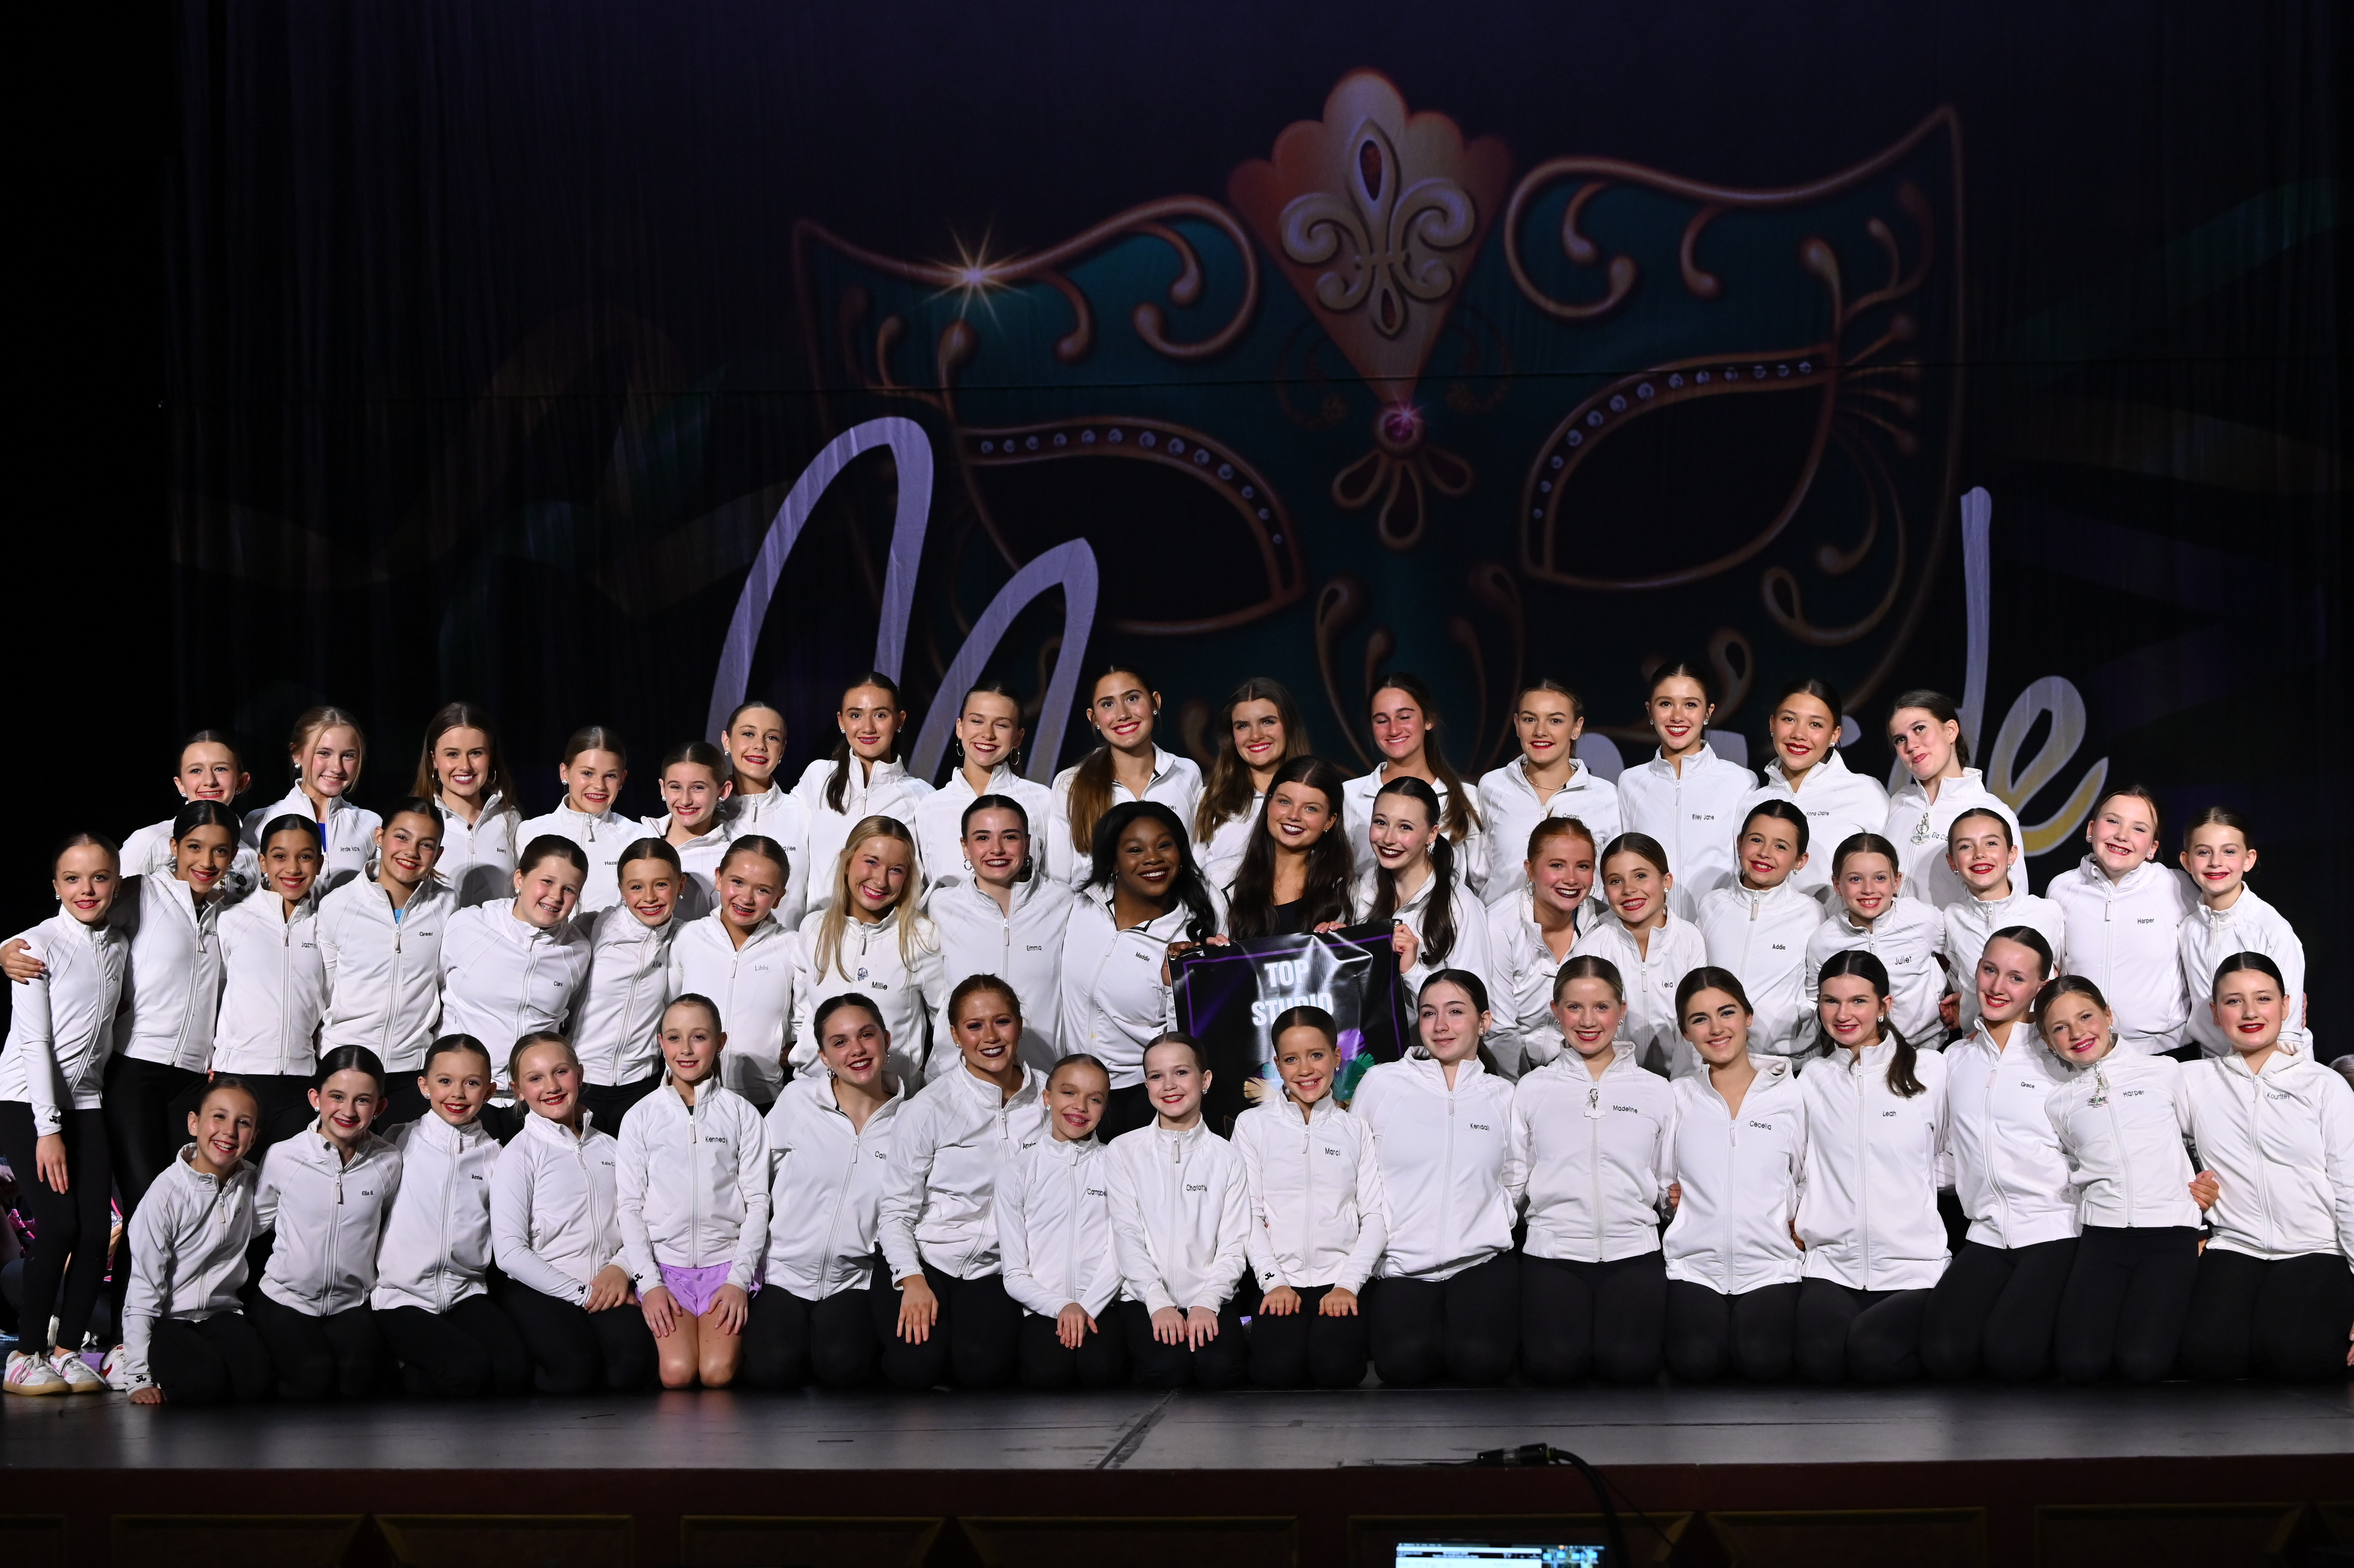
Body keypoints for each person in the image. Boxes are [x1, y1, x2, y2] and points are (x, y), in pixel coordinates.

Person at [2178, 953, 2354, 1381]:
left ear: (2287, 1005)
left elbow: (2351, 1186)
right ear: (2215, 1013)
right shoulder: (2191, 1082)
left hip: (2317, 1248)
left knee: (2297, 1357)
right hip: (2235, 1245)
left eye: (2263, 998)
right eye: (2234, 1001)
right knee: (2205, 1357)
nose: (2250, 1012)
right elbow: (2135, 1141)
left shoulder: (2323, 1085)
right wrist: (2187, 1193)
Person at [1920, 929, 2080, 1382]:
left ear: (2042, 986)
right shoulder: (1955, 1059)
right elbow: (1952, 1155)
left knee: (2012, 1356)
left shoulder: (2060, 1059)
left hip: (2055, 1231)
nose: (1997, 987)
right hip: (1986, 1235)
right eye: (1990, 970)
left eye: (2016, 977)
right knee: (1943, 1355)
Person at [876, 975, 1048, 1389]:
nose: (990, 1037)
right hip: (928, 1259)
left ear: (1019, 1025)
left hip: (998, 1268)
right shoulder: (929, 1107)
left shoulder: (1051, 1097)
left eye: (1002, 1021)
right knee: (915, 1370)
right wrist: (911, 1278)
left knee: (982, 1371)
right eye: (974, 1026)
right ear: (955, 1035)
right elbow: (896, 1212)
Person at [0, 834, 126, 1395]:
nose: (86, 889)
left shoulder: (119, 943)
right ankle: (24, 1354)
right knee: (59, 1226)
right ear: (55, 886)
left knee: (95, 1230)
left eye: (99, 877)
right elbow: (36, 1042)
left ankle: (68, 1351)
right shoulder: (35, 945)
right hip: (26, 1101)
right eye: (73, 878)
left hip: (89, 1101)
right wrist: (47, 1128)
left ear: (116, 882)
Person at [1351, 972, 1521, 1387]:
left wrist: (1495, 1218)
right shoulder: (1382, 1084)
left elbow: (1517, 1175)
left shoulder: (1503, 1096)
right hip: (1401, 1267)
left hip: (1479, 1262)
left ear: (1484, 1021)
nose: (1441, 1025)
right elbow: (1354, 1169)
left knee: (1482, 1364)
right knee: (1403, 1366)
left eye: (1455, 1012)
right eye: (1429, 1013)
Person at [1513, 956, 1673, 1385]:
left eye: (1602, 1007)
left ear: (1622, 1011)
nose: (1588, 1021)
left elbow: (1666, 1184)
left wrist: (1675, 1204)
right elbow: (1513, 1180)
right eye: (1574, 1007)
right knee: (1553, 1367)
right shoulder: (1532, 1089)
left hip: (1633, 1253)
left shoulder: (1656, 1091)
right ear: (1556, 1011)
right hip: (1552, 1255)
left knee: (1630, 1367)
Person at [2039, 974, 2207, 1382]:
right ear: (2048, 1041)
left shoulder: (2164, 1072)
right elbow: (2071, 1166)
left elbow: (2201, 1140)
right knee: (2079, 1364)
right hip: (2103, 1239)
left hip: (2169, 1235)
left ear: (2109, 1014)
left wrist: (2207, 1207)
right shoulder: (2060, 1103)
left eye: (2086, 1017)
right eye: (2060, 1027)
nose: (2077, 1033)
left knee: (2142, 1363)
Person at [1793, 951, 1949, 1383]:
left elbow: (1953, 1156)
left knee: (1872, 1356)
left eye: (1858, 1001)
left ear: (1885, 1006)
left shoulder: (1930, 1070)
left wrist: (1910, 1181)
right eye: (1831, 1001)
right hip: (1831, 1265)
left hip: (1913, 1266)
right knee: (1819, 1362)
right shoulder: (1812, 1079)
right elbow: (1799, 1166)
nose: (1843, 1015)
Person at [746, 995, 904, 1390]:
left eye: (866, 1035)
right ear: (824, 1057)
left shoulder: (910, 1120)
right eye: (840, 1042)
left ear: (886, 1039)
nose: (857, 1050)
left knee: (844, 1368)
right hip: (782, 1274)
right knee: (772, 1370)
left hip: (855, 1281)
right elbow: (754, 1184)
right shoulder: (798, 1101)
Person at [1660, 970, 1807, 1382]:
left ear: (1748, 1016)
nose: (1716, 1028)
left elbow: (1807, 1175)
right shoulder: (1677, 1098)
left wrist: (1803, 1219)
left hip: (1772, 1267)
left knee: (1763, 1361)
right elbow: (1659, 1179)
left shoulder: (1791, 1094)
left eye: (1727, 1013)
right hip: (1694, 1268)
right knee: (1695, 1362)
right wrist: (1668, 1200)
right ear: (1686, 1032)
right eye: (1700, 1019)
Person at [617, 996, 769, 1390]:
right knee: (677, 1372)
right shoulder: (640, 1117)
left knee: (717, 1373)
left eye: (699, 1037)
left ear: (720, 1042)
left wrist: (739, 1280)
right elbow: (629, 1208)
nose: (685, 1049)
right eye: (674, 1038)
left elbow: (758, 1203)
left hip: (726, 1267)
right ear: (660, 1043)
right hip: (666, 1270)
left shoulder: (742, 1114)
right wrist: (650, 1285)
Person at [490, 1031, 654, 1393]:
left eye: (560, 1072)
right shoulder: (518, 1155)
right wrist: (581, 1294)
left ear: (579, 1075)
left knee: (634, 1365)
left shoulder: (612, 1147)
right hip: (539, 1289)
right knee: (576, 1371)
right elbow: (510, 1252)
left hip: (606, 1283)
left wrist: (621, 1268)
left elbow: (640, 1220)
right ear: (518, 1090)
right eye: (535, 1078)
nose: (551, 1086)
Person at [1233, 1008, 1384, 1390]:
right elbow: (1247, 1214)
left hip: (1341, 1282)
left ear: (1336, 1056)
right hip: (1280, 1282)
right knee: (1276, 1373)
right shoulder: (1252, 1126)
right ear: (1277, 1066)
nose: (1305, 1070)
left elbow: (1375, 1217)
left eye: (1316, 1055)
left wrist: (1349, 1284)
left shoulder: (1357, 1130)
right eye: (1291, 1059)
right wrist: (1273, 1283)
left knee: (1338, 1372)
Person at [372, 1036, 529, 1398]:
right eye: (445, 1081)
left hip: (464, 1294)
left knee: (513, 1372)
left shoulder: (495, 1156)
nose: (457, 1093)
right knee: (467, 1371)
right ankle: (391, 1372)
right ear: (424, 1086)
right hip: (401, 1299)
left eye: (471, 1083)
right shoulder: (399, 1142)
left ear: (489, 1092)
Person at [1058, 801, 1221, 1141]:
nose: (1152, 858)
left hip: (1140, 1098)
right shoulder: (1082, 902)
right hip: (1074, 1089)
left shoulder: (1189, 938)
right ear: (1113, 861)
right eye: (1135, 849)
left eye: (1165, 846)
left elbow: (1191, 1042)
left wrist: (1174, 986)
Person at [251, 1046, 400, 1400]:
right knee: (313, 1379)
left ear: (379, 1107)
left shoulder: (389, 1161)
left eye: (363, 1100)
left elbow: (389, 1228)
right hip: (286, 1299)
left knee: (358, 1383)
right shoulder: (284, 1156)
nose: (348, 1111)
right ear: (316, 1099)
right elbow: (252, 1225)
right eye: (337, 1097)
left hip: (350, 1303)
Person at [1105, 1032, 1250, 1389]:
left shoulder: (1228, 1157)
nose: (1169, 1085)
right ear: (1147, 1085)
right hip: (1144, 1298)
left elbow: (1234, 1244)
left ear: (1205, 1080)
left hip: (1210, 1297)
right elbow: (1126, 1235)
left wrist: (1208, 1301)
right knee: (1167, 1370)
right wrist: (1158, 1303)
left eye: (1181, 1072)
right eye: (1157, 1076)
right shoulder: (1123, 1151)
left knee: (1219, 1370)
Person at [113, 1078, 269, 1407]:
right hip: (169, 1319)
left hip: (222, 1313)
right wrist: (138, 1377)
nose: (229, 1131)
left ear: (254, 1137)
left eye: (243, 1123)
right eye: (219, 1116)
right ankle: (128, 1360)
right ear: (194, 1123)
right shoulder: (165, 1194)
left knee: (256, 1384)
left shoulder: (253, 1183)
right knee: (201, 1386)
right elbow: (143, 1287)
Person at [997, 1052, 1128, 1390]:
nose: (1080, 1106)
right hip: (1043, 1307)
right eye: (1069, 1093)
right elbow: (1015, 1274)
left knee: (1102, 1373)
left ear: (1105, 1107)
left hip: (1101, 1305)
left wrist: (1086, 1307)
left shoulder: (1118, 1166)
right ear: (1047, 1097)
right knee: (1047, 1375)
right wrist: (1062, 1306)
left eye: (1094, 1099)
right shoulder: (1018, 1172)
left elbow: (1121, 1252)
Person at [318, 798, 451, 1126]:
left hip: (412, 1070)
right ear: (380, 837)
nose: (411, 852)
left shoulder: (448, 907)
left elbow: (446, 986)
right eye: (402, 837)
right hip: (345, 1066)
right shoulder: (338, 905)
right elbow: (322, 991)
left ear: (438, 854)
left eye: (426, 845)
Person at [926, 796, 1075, 1073]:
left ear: (1027, 844)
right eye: (983, 838)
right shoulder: (941, 906)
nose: (996, 849)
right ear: (965, 847)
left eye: (1010, 837)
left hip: (1040, 1076)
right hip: (956, 1078)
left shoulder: (1062, 902)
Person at [792, 816, 946, 1084]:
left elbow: (946, 1022)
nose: (881, 880)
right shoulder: (814, 928)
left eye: (895, 870)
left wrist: (933, 1087)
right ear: (847, 861)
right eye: (872, 862)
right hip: (814, 1092)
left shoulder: (923, 937)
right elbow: (805, 1013)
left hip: (892, 1099)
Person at [2045, 785, 2198, 1055]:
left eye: (2139, 829)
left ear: (2152, 848)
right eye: (2113, 821)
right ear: (2091, 829)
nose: (2122, 835)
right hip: (2084, 1051)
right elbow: (2052, 972)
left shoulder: (2177, 886)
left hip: (2164, 1053)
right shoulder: (2062, 889)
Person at [212, 814, 331, 1146]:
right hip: (237, 1078)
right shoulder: (232, 921)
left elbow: (329, 1000)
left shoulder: (323, 928)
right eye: (280, 856)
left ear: (320, 864)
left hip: (299, 1083)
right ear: (263, 862)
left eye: (305, 857)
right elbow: (212, 995)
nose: (292, 868)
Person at [438, 836, 592, 1090]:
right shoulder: (468, 926)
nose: (556, 896)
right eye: (547, 882)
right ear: (519, 879)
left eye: (569, 889)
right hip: (466, 1093)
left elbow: (567, 1018)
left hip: (535, 1097)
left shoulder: (578, 950)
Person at [1616, 662, 1756, 916]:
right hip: (1650, 929)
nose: (1677, 716)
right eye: (1665, 704)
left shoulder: (1740, 782)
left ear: (1708, 712)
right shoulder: (1630, 783)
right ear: (1650, 711)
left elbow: (1747, 870)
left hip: (1717, 928)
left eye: (1690, 704)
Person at [1047, 665, 1204, 888]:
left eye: (1132, 698)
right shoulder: (1070, 783)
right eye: (1108, 704)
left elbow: (1197, 863)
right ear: (1094, 718)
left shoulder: (1187, 773)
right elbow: (1059, 880)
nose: (1123, 715)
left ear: (1155, 702)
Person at [791, 673, 935, 915]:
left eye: (880, 715)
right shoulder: (817, 777)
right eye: (856, 715)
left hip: (890, 935)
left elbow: (932, 886)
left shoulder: (923, 798)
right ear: (842, 721)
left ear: (900, 720)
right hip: (822, 933)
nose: (868, 728)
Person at [669, 835, 797, 1105]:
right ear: (719, 878)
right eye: (738, 882)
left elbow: (805, 1020)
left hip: (763, 1099)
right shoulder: (689, 937)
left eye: (763, 890)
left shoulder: (792, 948)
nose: (746, 898)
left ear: (778, 898)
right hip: (688, 1098)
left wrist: (794, 1051)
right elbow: (668, 1009)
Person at [571, 839, 687, 1130]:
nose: (649, 897)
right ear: (622, 890)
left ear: (681, 885)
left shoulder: (685, 938)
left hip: (643, 1086)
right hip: (582, 1082)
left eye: (661, 884)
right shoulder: (593, 928)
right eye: (636, 887)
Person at [2176, 809, 2310, 1059]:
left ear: (2248, 859)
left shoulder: (2271, 929)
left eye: (2229, 852)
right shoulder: (2187, 929)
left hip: (2274, 1067)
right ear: (2187, 862)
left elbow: (2288, 1032)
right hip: (2215, 1067)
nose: (2216, 862)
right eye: (2204, 852)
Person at [1741, 678, 1887, 904]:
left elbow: (1888, 880)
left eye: (1816, 724)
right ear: (1772, 724)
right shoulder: (1751, 802)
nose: (1799, 734)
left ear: (1835, 734)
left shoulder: (1865, 793)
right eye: (1789, 719)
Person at [1476, 678, 1621, 907]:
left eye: (1555, 720)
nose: (1540, 731)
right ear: (1517, 724)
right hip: (1499, 925)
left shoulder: (1606, 797)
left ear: (1576, 728)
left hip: (1580, 926)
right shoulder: (1492, 786)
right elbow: (1479, 871)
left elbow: (1615, 875)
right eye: (1530, 719)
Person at [1570, 833, 1706, 1077]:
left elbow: (1697, 1020)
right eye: (1616, 881)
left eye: (1641, 876)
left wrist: (1683, 1085)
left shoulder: (1690, 939)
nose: (1629, 890)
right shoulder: (1591, 949)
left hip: (1681, 1083)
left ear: (1666, 881)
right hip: (1614, 1081)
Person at [1340, 674, 1485, 900]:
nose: (1393, 730)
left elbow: (1481, 885)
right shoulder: (1349, 795)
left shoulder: (1465, 797)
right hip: (1370, 921)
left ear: (1428, 720)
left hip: (1445, 921)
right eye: (1382, 721)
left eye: (1404, 717)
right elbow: (1340, 878)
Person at [1696, 801, 1822, 1057]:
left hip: (1786, 1062)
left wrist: (1800, 1026)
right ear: (1739, 843)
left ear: (1800, 861)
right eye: (1756, 840)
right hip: (1716, 1058)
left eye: (1780, 846)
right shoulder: (1711, 906)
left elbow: (1818, 987)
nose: (1765, 853)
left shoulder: (1811, 913)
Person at [1484, 817, 1604, 1077]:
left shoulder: (1604, 924)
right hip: (1508, 1074)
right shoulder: (1498, 925)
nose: (1571, 879)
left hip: (1581, 1070)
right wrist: (1518, 1087)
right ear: (1530, 870)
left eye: (1583, 866)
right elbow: (1500, 1029)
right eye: (1557, 865)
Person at [1882, 691, 2022, 909]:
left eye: (1919, 729)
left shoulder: (1993, 812)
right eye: (1900, 739)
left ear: (1951, 731)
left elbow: (2014, 906)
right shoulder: (1899, 803)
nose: (1911, 745)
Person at [1805, 833, 1946, 1046]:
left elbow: (1964, 959)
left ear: (1896, 882)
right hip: (1857, 1053)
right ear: (1837, 885)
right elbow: (1816, 1001)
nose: (1868, 890)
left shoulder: (1924, 919)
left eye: (1880, 878)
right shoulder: (1824, 941)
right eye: (1855, 879)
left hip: (1927, 1047)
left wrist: (1963, 1002)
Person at [913, 678, 1053, 891]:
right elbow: (920, 891)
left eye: (1001, 725)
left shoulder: (1043, 801)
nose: (988, 734)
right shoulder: (928, 808)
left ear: (1018, 737)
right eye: (977, 721)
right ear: (960, 727)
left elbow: (1057, 886)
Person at [1364, 776, 1493, 1005]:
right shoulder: (1364, 889)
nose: (1388, 838)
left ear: (1432, 834)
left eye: (1405, 827)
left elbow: (1470, 1004)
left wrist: (1412, 970)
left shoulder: (1460, 906)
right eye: (1381, 823)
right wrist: (1339, 946)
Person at [1939, 807, 2067, 1033]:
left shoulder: (2048, 913)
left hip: (2038, 1044)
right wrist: (1968, 1014)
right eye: (1966, 846)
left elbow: (2062, 982)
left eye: (1991, 843)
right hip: (1977, 1045)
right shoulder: (1952, 918)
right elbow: (1964, 983)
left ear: (2012, 854)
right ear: (1952, 862)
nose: (1979, 854)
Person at [242, 705, 382, 893]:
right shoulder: (260, 822)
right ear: (297, 754)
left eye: (348, 756)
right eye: (324, 753)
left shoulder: (370, 824)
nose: (337, 768)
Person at [1194, 678, 1313, 887]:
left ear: (1289, 726)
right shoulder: (1211, 800)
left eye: (1267, 722)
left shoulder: (1320, 794)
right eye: (1243, 726)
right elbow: (1196, 879)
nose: (1256, 736)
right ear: (1231, 736)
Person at [1222, 755, 1356, 940]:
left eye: (1311, 809)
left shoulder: (1346, 892)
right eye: (1285, 802)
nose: (1294, 816)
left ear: (1330, 821)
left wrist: (1343, 945)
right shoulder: (1219, 879)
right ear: (1269, 803)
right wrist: (1207, 949)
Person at [117, 729, 257, 893]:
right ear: (181, 784)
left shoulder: (250, 854)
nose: (209, 781)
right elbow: (116, 902)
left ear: (241, 782)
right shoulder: (149, 842)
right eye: (196, 770)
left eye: (220, 769)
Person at [411, 703, 521, 908]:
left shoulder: (510, 819)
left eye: (476, 753)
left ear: (490, 757)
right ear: (434, 759)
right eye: (452, 754)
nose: (465, 766)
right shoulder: (413, 821)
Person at [716, 700, 815, 929]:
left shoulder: (804, 814)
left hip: (791, 947)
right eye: (748, 734)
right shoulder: (707, 817)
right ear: (727, 740)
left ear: (782, 750)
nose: (760, 745)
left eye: (772, 738)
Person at [519, 726, 636, 913]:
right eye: (587, 773)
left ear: (622, 779)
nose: (599, 785)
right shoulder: (529, 832)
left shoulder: (638, 837)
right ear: (564, 773)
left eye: (610, 776)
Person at [645, 741, 735, 916]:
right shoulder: (639, 836)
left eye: (698, 788)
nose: (685, 800)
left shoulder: (729, 857)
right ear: (663, 788)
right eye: (676, 787)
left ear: (723, 791)